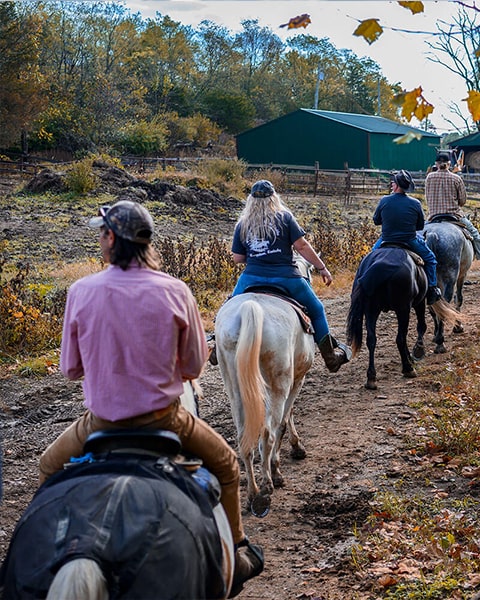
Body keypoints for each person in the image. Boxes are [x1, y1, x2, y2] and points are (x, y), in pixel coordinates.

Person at [38, 200, 264, 595]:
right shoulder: (176, 291)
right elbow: (193, 367)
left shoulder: (81, 290)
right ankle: (239, 553)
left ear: (110, 238)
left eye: (101, 233)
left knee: (46, 468)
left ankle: (42, 545)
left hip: (99, 423)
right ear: (146, 242)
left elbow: (71, 369)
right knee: (227, 465)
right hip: (166, 419)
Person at [231, 179, 350, 373]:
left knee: (228, 308)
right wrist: (322, 268)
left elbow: (237, 258)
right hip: (286, 277)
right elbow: (301, 246)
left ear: (251, 200)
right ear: (273, 198)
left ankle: (217, 348)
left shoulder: (243, 224)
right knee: (317, 309)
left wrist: (259, 257)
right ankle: (331, 359)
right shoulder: (285, 217)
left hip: (251, 278)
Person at [372, 170, 442, 304]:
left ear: (397, 185)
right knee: (431, 259)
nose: (391, 185)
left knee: (370, 257)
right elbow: (420, 226)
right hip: (409, 240)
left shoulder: (384, 200)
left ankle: (360, 283)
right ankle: (432, 288)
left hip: (386, 239)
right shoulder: (415, 203)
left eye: (393, 183)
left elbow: (376, 220)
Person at [425, 152, 480, 271]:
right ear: (449, 164)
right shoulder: (456, 178)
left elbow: (427, 198)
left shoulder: (429, 178)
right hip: (454, 216)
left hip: (433, 216)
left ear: (436, 164)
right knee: (474, 234)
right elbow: (462, 201)